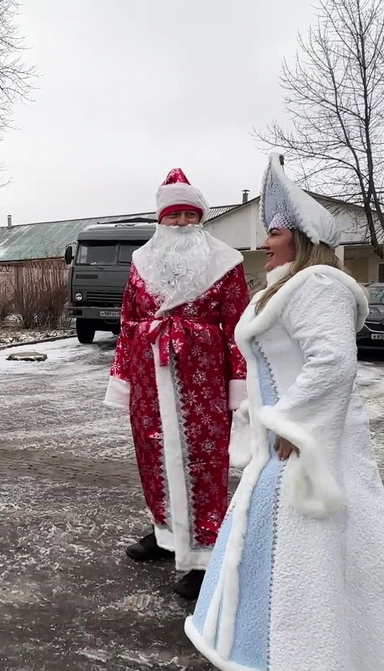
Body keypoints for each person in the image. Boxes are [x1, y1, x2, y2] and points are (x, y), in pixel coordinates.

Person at [186, 154, 384, 671]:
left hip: (305, 448)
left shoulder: (317, 285)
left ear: (300, 237)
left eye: (273, 232)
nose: (263, 242)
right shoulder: (287, 288)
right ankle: (274, 650)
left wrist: (293, 424)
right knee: (285, 551)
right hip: (284, 448)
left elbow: (334, 362)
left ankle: (308, 658)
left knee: (308, 556)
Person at [104, 168, 250, 599]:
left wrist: (238, 385)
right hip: (150, 379)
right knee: (155, 457)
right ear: (160, 220)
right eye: (174, 216)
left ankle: (205, 555)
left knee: (202, 463)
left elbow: (238, 327)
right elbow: (129, 322)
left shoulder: (226, 263)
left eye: (190, 215)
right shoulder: (141, 263)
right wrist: (124, 377)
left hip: (201, 382)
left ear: (201, 218)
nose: (182, 223)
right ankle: (165, 533)